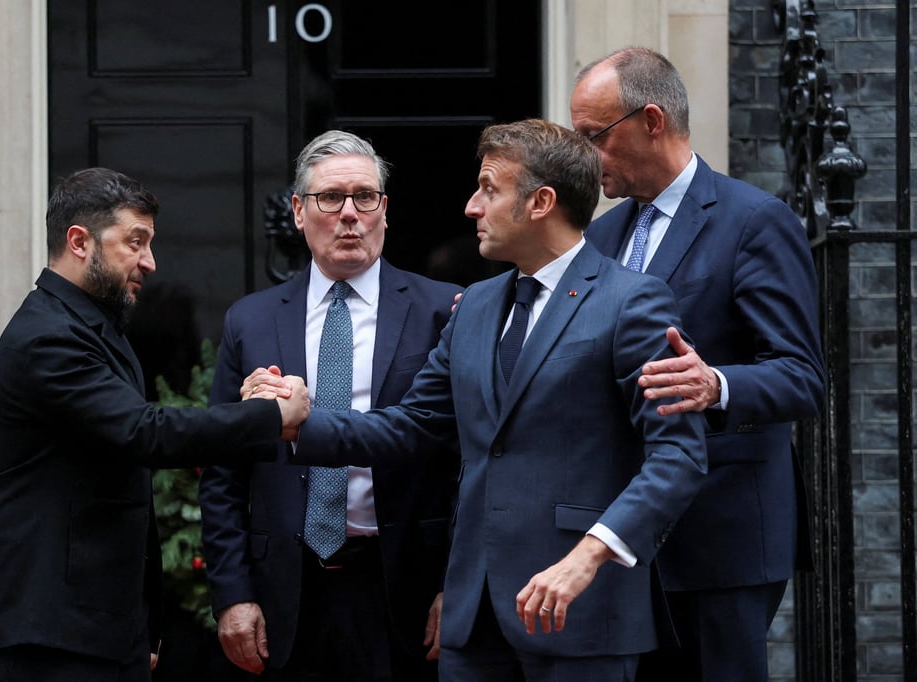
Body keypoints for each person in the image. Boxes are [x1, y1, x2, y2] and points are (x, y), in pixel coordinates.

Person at [254, 118, 709, 681]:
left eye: (489, 189)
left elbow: (678, 458)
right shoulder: (474, 306)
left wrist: (588, 556)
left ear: (540, 202)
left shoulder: (632, 302)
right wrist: (297, 423)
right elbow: (411, 427)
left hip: (581, 610)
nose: (472, 206)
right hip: (475, 620)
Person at [0, 167, 310, 682]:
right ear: (79, 241)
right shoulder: (49, 338)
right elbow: (144, 432)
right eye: (136, 242)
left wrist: (137, 629)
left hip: (98, 627)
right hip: (55, 631)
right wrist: (269, 416)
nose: (150, 262)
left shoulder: (92, 326)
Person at [570, 47, 825, 682]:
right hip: (622, 537)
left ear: (651, 120)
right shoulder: (599, 238)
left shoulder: (753, 221)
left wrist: (716, 384)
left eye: (592, 136)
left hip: (722, 537)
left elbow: (802, 376)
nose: (582, 157)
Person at [198, 129, 462, 681]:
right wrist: (232, 593)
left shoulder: (445, 311)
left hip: (405, 587)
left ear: (384, 210)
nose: (350, 214)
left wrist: (454, 584)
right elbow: (221, 470)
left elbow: (469, 459)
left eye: (365, 197)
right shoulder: (251, 319)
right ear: (297, 211)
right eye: (330, 198)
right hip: (284, 594)